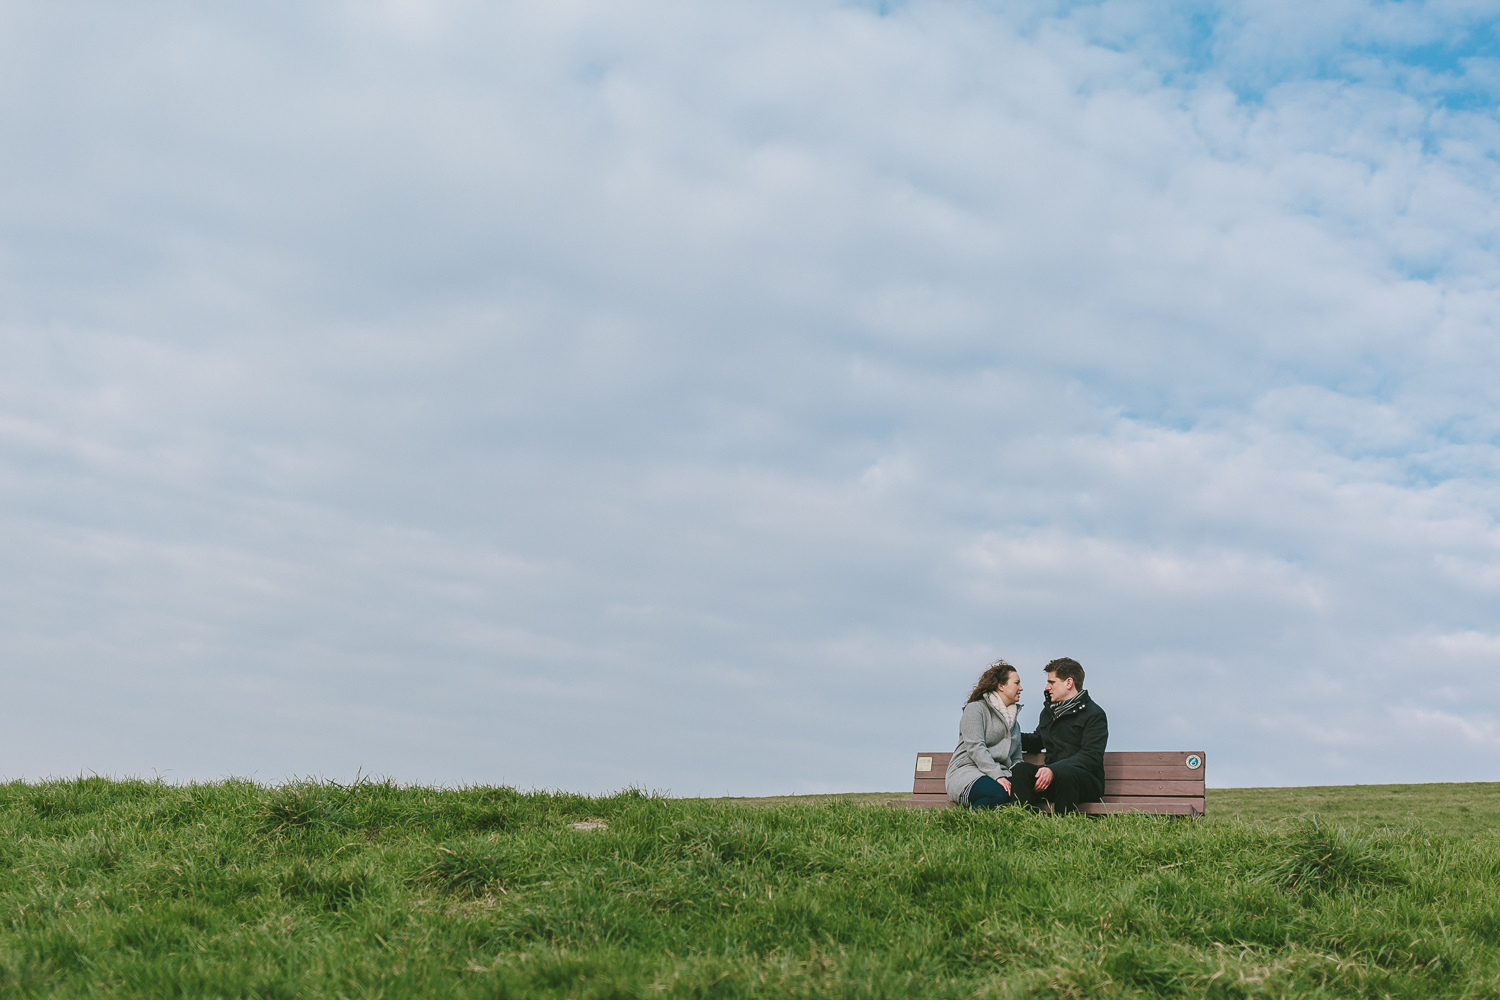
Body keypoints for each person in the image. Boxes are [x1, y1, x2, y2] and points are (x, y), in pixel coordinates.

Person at [1013, 657, 1108, 815]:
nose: (1047, 687)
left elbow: (1090, 757)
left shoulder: (1094, 714)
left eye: (1052, 682)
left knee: (1066, 774)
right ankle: (1021, 822)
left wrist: (1053, 769)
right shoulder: (1049, 712)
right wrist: (1009, 734)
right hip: (1053, 778)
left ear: (1069, 683)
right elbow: (1037, 741)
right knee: (1021, 769)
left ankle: (1062, 829)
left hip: (1085, 781)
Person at [945, 660, 1026, 809]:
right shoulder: (976, 709)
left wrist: (1019, 780)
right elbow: (976, 747)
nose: (1021, 688)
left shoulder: (1014, 724)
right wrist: (998, 776)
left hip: (1000, 775)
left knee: (1023, 793)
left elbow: (1016, 759)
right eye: (1017, 683)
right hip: (967, 773)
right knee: (997, 794)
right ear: (1001, 686)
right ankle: (968, 827)